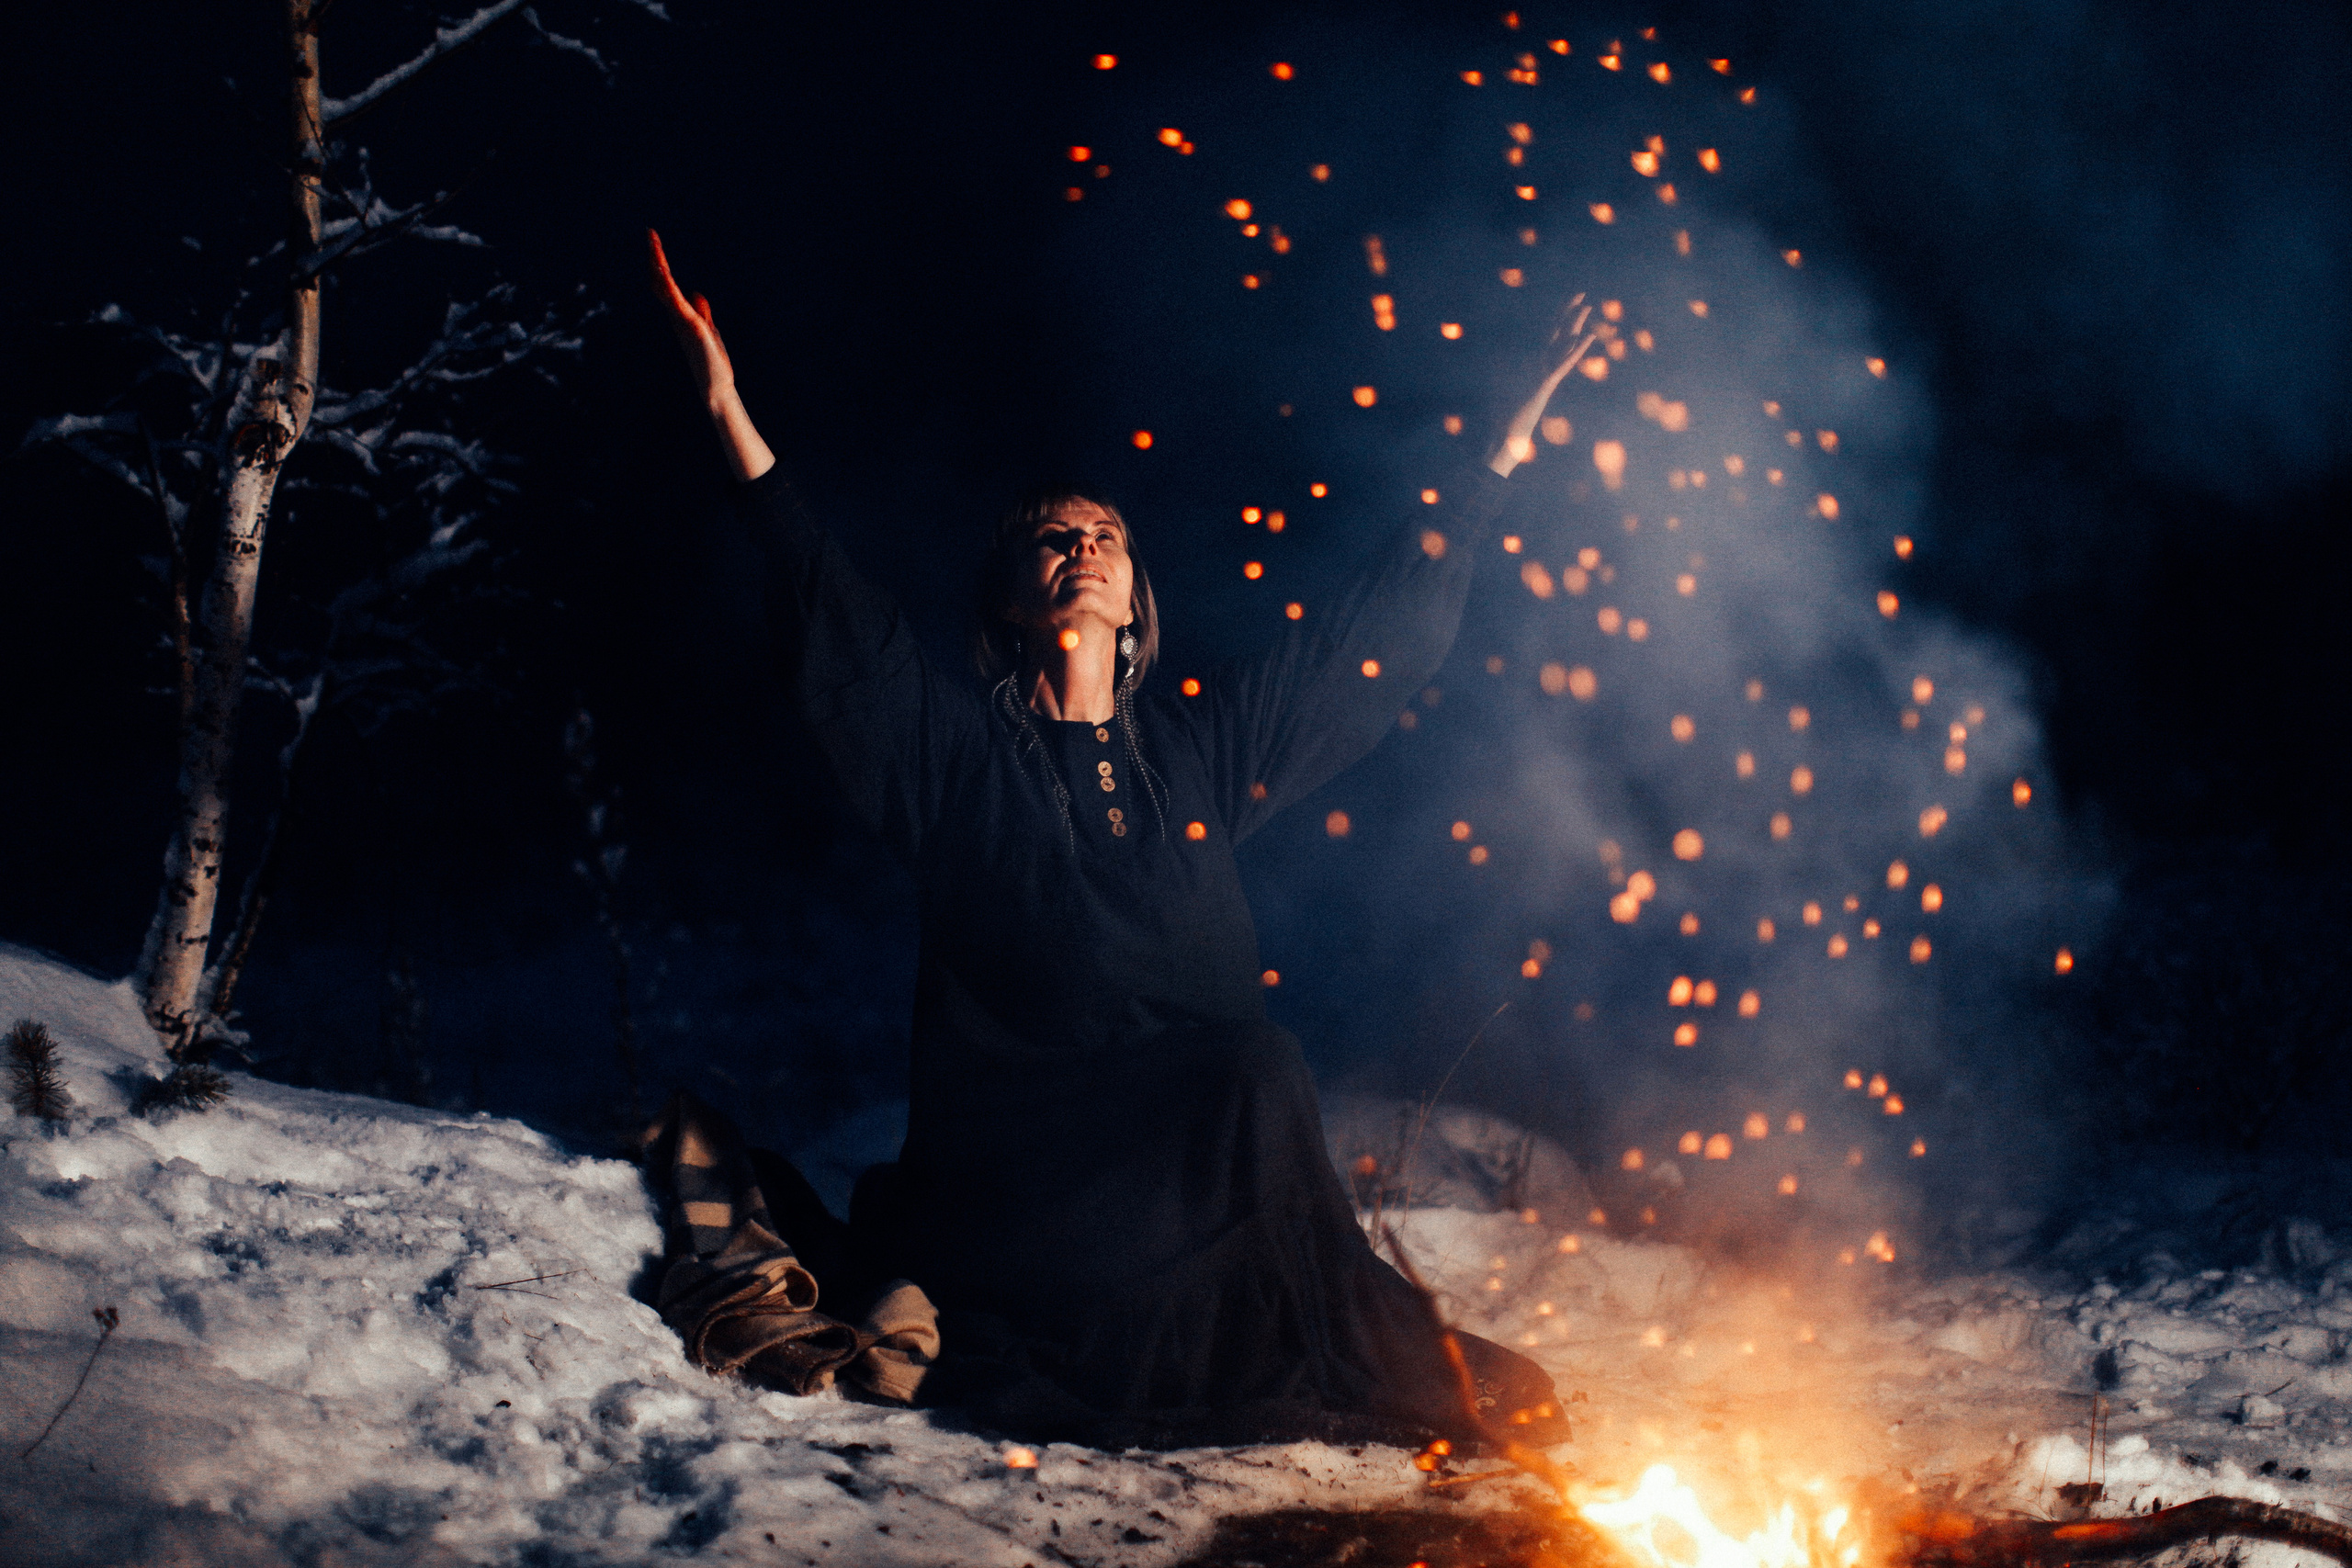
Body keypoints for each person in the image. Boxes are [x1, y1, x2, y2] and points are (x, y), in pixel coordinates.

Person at [650, 230, 1594, 1450]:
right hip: (1018, 1164)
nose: (1084, 547)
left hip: (1185, 1154)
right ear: (1009, 594)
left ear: (1137, 598)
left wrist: (1496, 461)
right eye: (1054, 536)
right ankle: (1049, 1322)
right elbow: (832, 616)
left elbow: (1370, 643)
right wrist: (727, 406)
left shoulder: (1195, 754)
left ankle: (1285, 1339)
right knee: (1254, 1070)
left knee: (1256, 1070)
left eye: (1105, 535)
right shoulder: (954, 759)